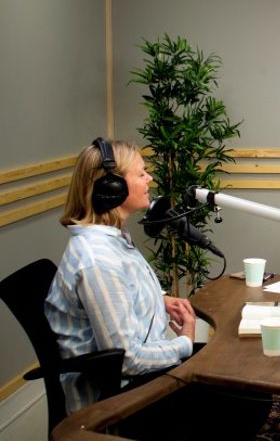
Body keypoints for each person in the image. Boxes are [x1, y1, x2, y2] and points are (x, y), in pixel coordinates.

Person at [45, 138, 196, 414]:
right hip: (121, 399)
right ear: (111, 188)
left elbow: (124, 287)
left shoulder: (110, 238)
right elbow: (128, 360)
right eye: (141, 173)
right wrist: (184, 344)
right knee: (242, 405)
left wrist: (160, 299)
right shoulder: (98, 262)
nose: (149, 177)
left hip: (136, 379)